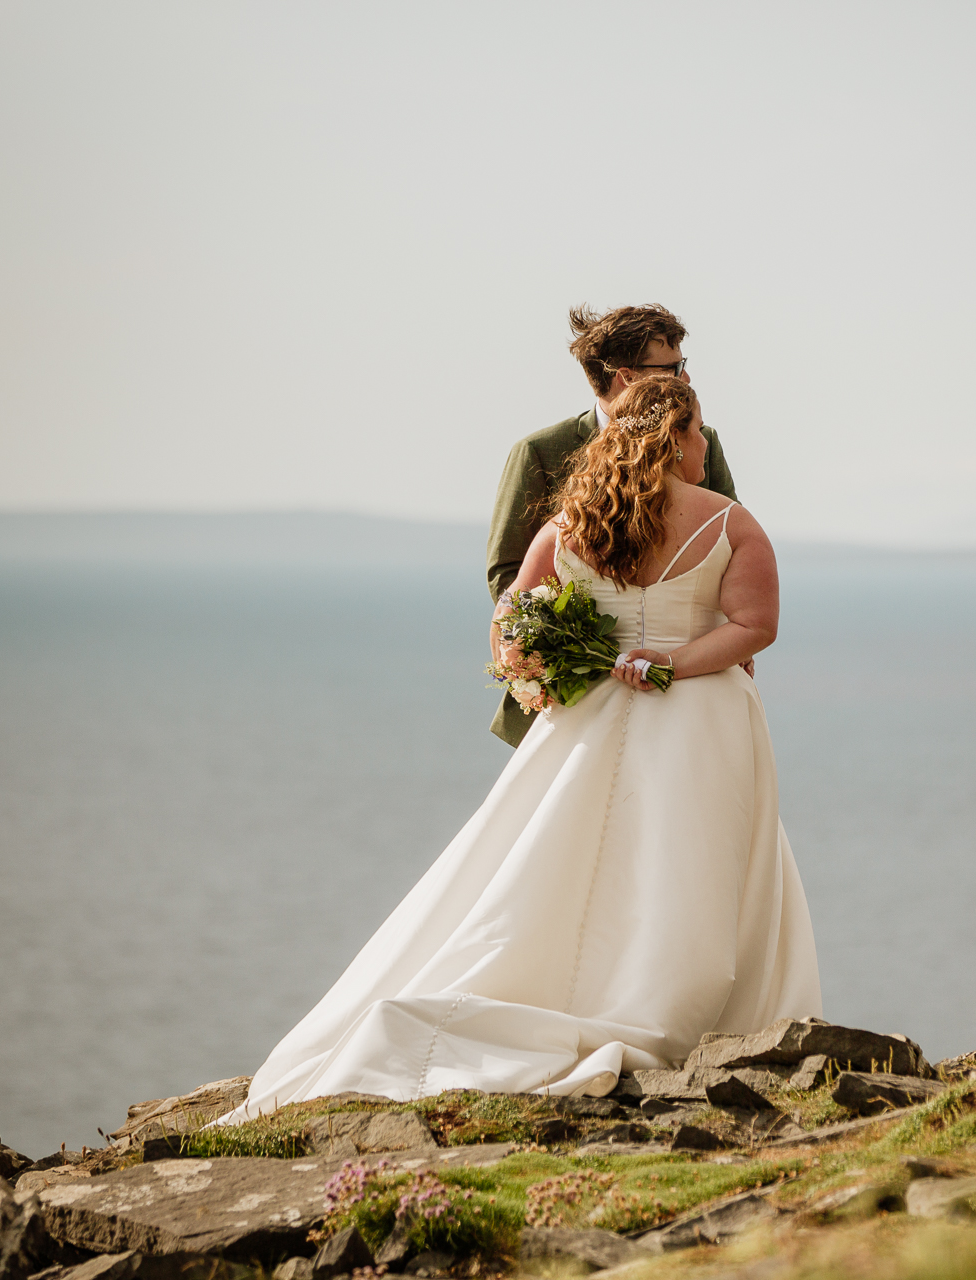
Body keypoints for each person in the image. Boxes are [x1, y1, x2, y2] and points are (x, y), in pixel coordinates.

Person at [215, 376, 819, 1114]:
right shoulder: (729, 523)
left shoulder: (570, 524)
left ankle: (565, 990)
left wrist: (558, 661)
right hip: (701, 719)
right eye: (697, 432)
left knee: (560, 862)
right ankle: (681, 1007)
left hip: (586, 716)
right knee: (685, 863)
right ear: (672, 436)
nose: (704, 445)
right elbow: (756, 626)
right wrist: (671, 663)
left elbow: (510, 625)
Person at [485, 304, 738, 747]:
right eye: (674, 367)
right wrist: (587, 650)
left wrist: (716, 642)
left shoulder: (702, 440)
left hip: (686, 684)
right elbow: (508, 569)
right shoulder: (540, 452)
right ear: (626, 377)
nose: (686, 379)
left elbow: (728, 547)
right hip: (578, 688)